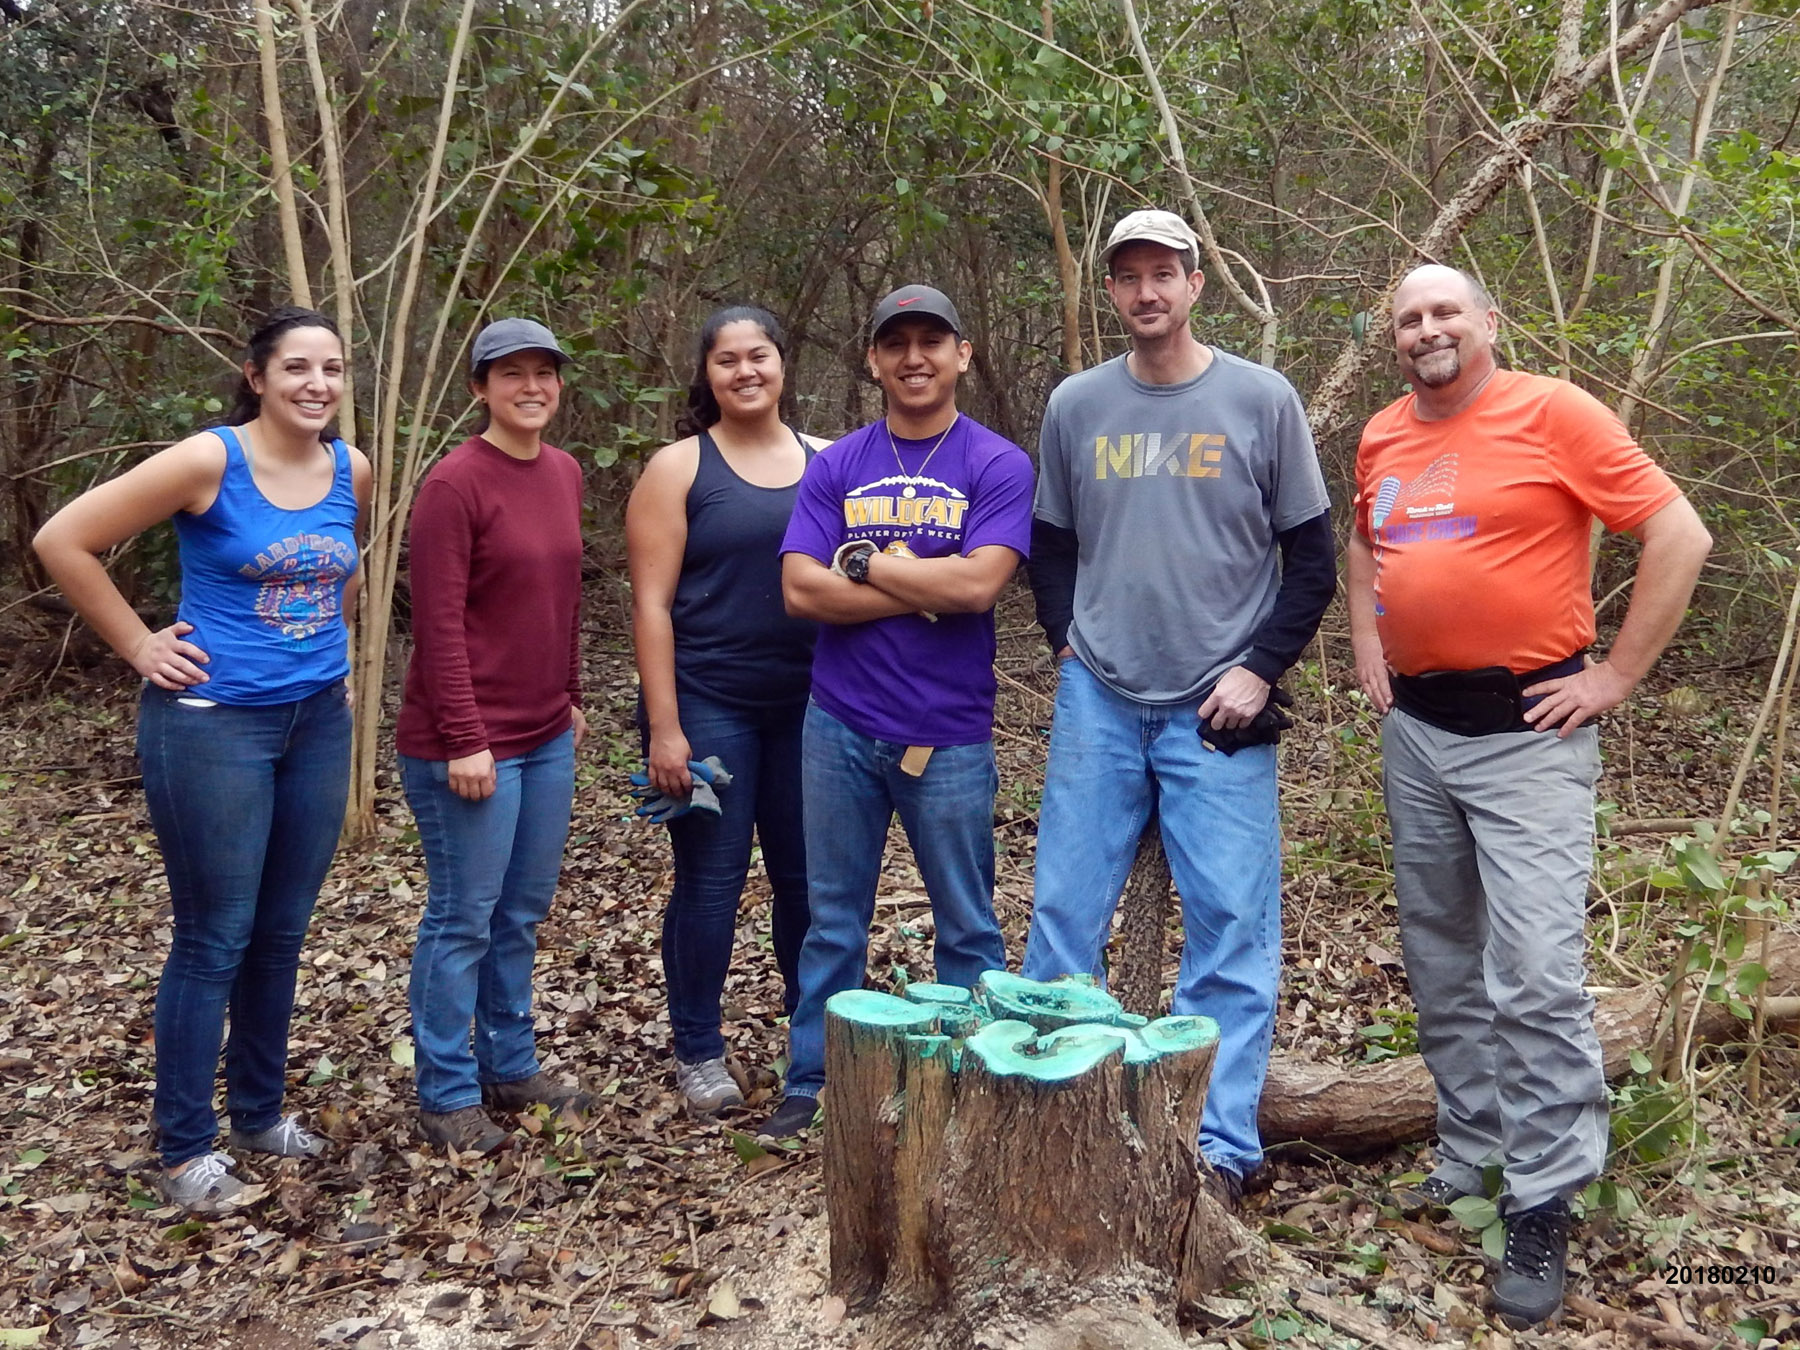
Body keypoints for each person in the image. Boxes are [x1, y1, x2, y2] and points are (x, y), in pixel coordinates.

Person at [1348, 264, 1711, 1327]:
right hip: (1419, 732)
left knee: (1537, 974)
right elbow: (1367, 542)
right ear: (1394, 338)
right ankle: (1471, 1152)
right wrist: (1367, 638)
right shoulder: (1381, 433)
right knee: (1441, 956)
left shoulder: (1554, 412)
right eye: (1409, 318)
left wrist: (1617, 676)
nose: (1427, 329)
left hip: (1530, 736)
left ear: (1489, 323)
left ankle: (1543, 1194)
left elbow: (1678, 532)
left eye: (1445, 311)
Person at [1021, 210, 1335, 1204]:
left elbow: (1313, 558)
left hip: (1219, 706)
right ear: (1111, 291)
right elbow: (1050, 540)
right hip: (1100, 698)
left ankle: (1219, 1147)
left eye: (1165, 273)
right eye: (1130, 277)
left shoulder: (1260, 399)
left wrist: (1261, 669)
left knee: (1231, 927)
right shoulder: (1077, 404)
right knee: (1064, 917)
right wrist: (1065, 637)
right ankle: (1051, 1122)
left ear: (1197, 284)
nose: (1147, 292)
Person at [33, 306, 370, 1209]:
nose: (317, 385)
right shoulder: (207, 461)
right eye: (296, 368)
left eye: (332, 369)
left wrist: (333, 658)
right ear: (257, 377)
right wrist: (139, 645)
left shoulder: (351, 468)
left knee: (282, 930)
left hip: (315, 724)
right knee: (216, 934)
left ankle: (259, 1114)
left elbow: (339, 573)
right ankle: (186, 1150)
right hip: (213, 725)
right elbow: (62, 540)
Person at [757, 285, 1034, 1140]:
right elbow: (800, 591)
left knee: (968, 922)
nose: (915, 358)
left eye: (931, 341)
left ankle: (974, 1079)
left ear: (962, 355)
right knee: (831, 919)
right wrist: (921, 584)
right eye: (897, 344)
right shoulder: (837, 464)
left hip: (947, 734)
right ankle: (814, 1079)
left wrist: (863, 563)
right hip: (838, 725)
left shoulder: (996, 463)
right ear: (873, 360)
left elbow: (979, 585)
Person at [396, 318, 590, 1155]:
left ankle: (508, 1066)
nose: (531, 387)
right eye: (511, 374)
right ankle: (445, 1093)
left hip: (545, 734)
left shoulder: (565, 472)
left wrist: (571, 693)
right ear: (480, 388)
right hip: (467, 744)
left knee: (519, 913)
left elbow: (564, 597)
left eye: (544, 372)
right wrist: (465, 737)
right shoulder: (454, 484)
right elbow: (437, 624)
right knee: (463, 918)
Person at [626, 306, 824, 1114]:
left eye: (759, 355)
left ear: (782, 363)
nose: (746, 371)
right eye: (727, 360)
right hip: (709, 704)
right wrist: (665, 727)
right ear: (707, 375)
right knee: (711, 879)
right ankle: (699, 1048)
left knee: (806, 881)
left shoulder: (828, 460)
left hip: (811, 706)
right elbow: (650, 605)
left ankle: (813, 1040)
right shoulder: (678, 468)